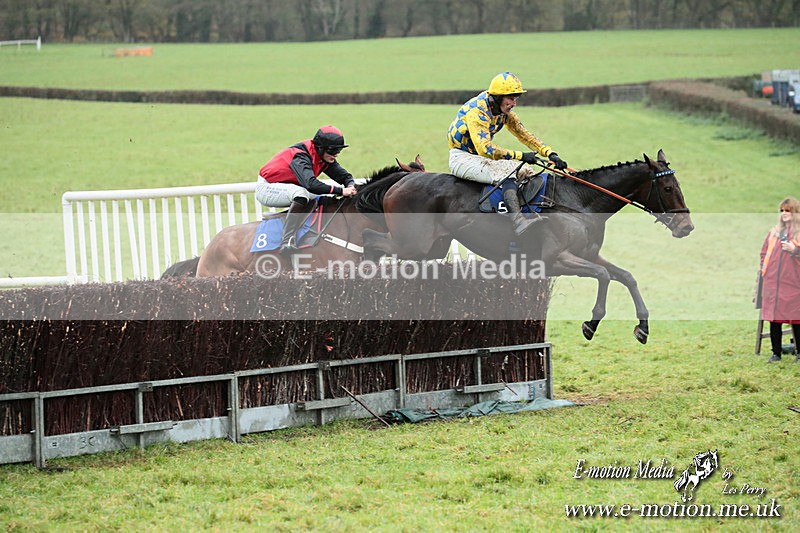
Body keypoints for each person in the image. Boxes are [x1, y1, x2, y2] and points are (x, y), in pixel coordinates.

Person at [447, 72, 569, 236]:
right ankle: (518, 222)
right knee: (508, 172)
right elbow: (486, 149)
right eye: (511, 98)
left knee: (526, 171)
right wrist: (521, 156)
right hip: (461, 157)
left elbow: (525, 135)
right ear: (498, 97)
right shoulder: (478, 111)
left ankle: (530, 214)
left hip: (478, 158)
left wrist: (550, 153)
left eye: (516, 98)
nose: (514, 103)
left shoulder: (502, 111)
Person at [256, 125, 357, 254]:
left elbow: (344, 176)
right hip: (267, 188)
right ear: (321, 148)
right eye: (333, 151)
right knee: (302, 194)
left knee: (319, 197)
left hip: (286, 187)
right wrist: (341, 191)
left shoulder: (323, 157)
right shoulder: (301, 156)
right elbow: (311, 184)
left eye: (338, 151)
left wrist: (350, 185)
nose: (336, 155)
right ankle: (286, 240)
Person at [759, 196, 800, 363]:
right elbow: (764, 254)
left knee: (797, 318)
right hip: (773, 283)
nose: (784, 214)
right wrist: (765, 272)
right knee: (774, 318)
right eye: (782, 211)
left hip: (794, 283)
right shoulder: (774, 232)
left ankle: (799, 353)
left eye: (788, 211)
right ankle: (776, 353)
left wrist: (795, 250)